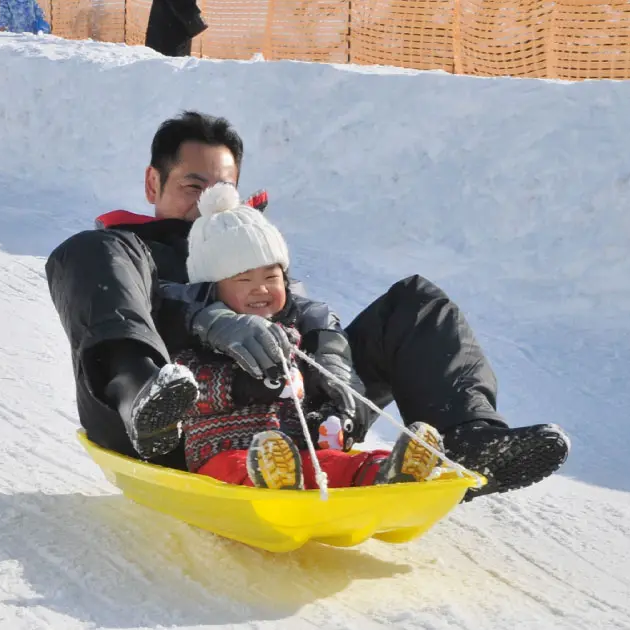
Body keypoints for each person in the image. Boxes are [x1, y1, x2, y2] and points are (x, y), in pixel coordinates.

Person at [44, 111, 570, 502]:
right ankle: (142, 394)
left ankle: (469, 442)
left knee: (418, 301)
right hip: (186, 424)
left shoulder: (249, 242)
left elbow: (306, 317)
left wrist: (333, 360)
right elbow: (141, 297)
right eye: (192, 185)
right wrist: (206, 320)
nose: (207, 200)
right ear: (153, 183)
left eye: (222, 186)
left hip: (295, 416)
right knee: (86, 252)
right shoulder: (132, 249)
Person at [168, 182, 446, 490]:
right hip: (220, 453)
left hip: (295, 454)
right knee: (237, 468)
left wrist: (328, 417)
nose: (260, 289)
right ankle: (271, 482)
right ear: (213, 289)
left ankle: (389, 471)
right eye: (244, 279)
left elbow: (314, 390)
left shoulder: (295, 336)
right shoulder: (201, 340)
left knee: (337, 465)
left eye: (271, 277)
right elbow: (190, 393)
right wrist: (245, 386)